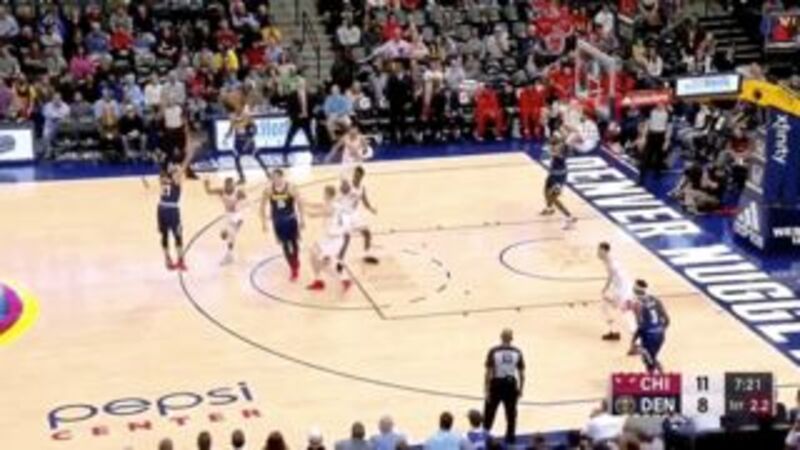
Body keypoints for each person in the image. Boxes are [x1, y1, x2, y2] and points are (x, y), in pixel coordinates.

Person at [259, 169, 305, 281]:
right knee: (284, 244)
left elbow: (300, 203)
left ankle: (295, 260)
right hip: (278, 221)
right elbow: (262, 207)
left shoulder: (291, 188)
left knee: (294, 242)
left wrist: (302, 219)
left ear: (281, 177)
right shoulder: (268, 190)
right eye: (272, 178)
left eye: (276, 177)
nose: (274, 180)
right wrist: (264, 223)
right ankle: (293, 268)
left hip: (291, 220)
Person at [306, 185, 351, 292]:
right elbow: (315, 205)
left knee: (323, 263)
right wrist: (301, 201)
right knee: (312, 255)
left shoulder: (332, 207)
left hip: (334, 240)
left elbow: (315, 214)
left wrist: (304, 211)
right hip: (327, 238)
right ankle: (318, 280)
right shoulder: (331, 203)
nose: (323, 195)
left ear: (328, 194)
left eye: (324, 193)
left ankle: (344, 279)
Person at [484, 328, 525, 444]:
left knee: (489, 415)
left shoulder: (493, 351)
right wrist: (521, 389)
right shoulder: (518, 352)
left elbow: (488, 373)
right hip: (511, 385)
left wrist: (486, 390)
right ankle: (511, 440)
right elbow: (522, 374)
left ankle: (485, 439)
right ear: (511, 338)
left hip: (496, 384)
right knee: (511, 416)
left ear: (501, 337)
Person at [597, 242, 638, 350]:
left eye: (599, 250)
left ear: (604, 251)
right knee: (604, 305)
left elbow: (611, 277)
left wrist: (604, 289)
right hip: (619, 289)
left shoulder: (611, 262)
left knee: (626, 314)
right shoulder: (607, 260)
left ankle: (637, 343)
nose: (597, 252)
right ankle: (613, 331)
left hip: (624, 290)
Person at [157, 155, 192, 271]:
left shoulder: (163, 177)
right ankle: (180, 261)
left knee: (164, 235)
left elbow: (165, 172)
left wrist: (169, 166)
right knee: (178, 235)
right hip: (171, 211)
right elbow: (182, 169)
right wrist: (189, 157)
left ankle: (168, 260)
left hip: (161, 209)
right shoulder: (175, 179)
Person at [338, 166, 379, 264]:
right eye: (355, 175)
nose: (356, 177)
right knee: (346, 238)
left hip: (354, 214)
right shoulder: (348, 185)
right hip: (344, 214)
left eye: (358, 176)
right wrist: (343, 182)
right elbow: (342, 189)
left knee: (367, 233)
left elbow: (365, 201)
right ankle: (340, 260)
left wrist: (371, 209)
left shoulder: (362, 188)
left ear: (361, 176)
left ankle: (366, 255)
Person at [204, 177, 246, 265]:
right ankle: (230, 254)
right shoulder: (221, 191)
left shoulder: (238, 192)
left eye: (231, 185)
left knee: (231, 234)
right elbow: (208, 191)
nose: (229, 187)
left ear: (233, 185)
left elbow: (245, 199)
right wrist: (206, 183)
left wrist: (238, 204)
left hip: (238, 216)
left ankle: (229, 256)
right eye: (227, 185)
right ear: (225, 185)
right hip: (228, 215)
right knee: (223, 235)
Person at [631, 280, 670, 374]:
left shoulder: (637, 304)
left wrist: (633, 341)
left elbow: (640, 326)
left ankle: (655, 378)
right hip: (660, 335)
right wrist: (660, 330)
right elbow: (667, 320)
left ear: (635, 290)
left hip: (649, 336)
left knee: (648, 362)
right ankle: (660, 374)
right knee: (651, 359)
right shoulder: (656, 299)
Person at [226, 101, 268, 184]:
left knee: (257, 156)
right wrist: (227, 135)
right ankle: (242, 178)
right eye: (235, 107)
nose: (237, 108)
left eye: (239, 107)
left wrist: (249, 141)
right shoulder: (232, 116)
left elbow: (255, 130)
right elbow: (231, 127)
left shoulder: (248, 117)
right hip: (238, 141)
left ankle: (267, 173)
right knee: (236, 159)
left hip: (247, 140)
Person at [540, 136, 577, 230]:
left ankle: (569, 217)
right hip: (552, 175)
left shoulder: (561, 154)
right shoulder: (558, 149)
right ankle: (549, 208)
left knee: (554, 198)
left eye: (555, 145)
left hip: (559, 178)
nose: (553, 146)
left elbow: (555, 153)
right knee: (545, 191)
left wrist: (550, 150)